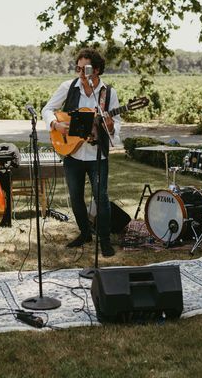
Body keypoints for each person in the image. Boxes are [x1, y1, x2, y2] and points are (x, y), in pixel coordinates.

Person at [42, 48, 121, 257]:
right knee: (76, 197)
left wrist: (111, 126)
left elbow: (116, 127)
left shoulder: (108, 93)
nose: (80, 72)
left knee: (101, 198)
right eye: (78, 68)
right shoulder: (68, 87)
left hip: (98, 155)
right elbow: (47, 109)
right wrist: (56, 125)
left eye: (84, 68)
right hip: (73, 153)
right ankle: (85, 233)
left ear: (96, 70)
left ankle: (104, 241)